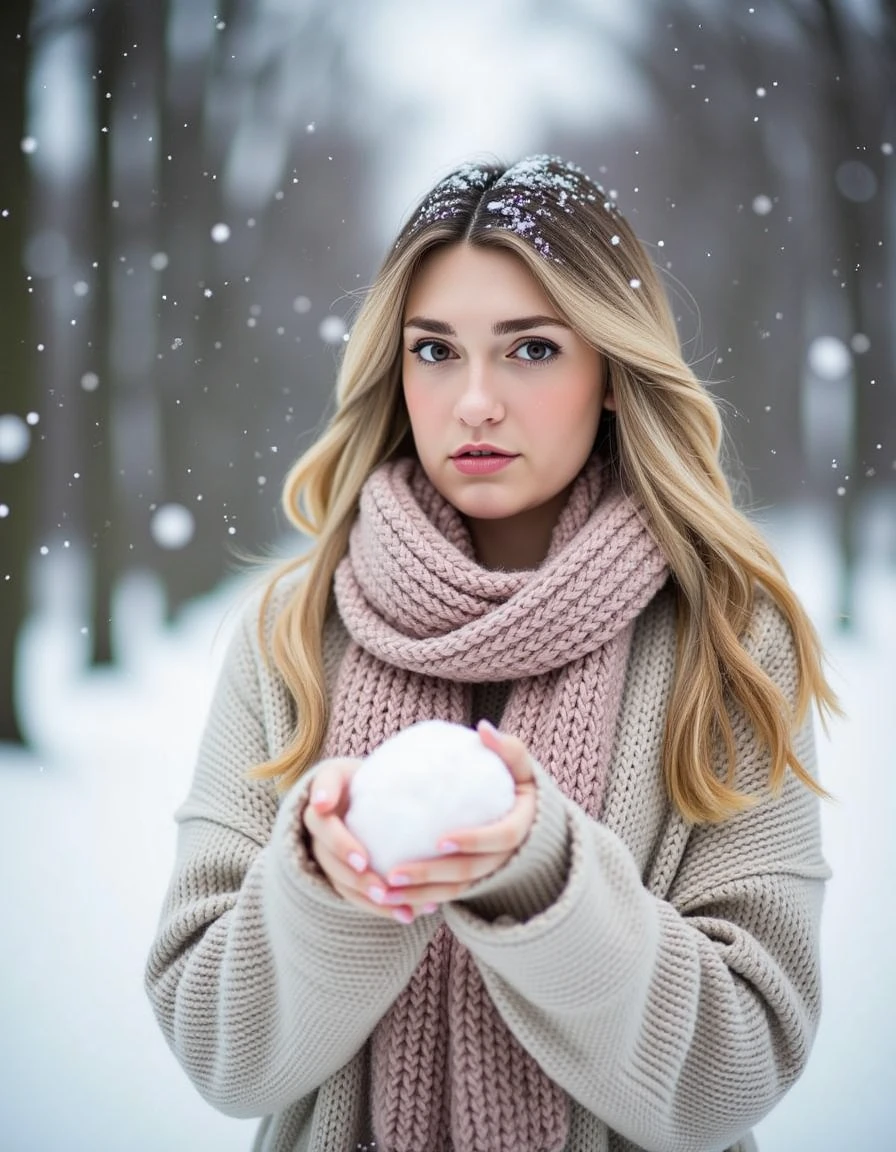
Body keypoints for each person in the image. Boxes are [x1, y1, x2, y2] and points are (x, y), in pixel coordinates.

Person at [145, 155, 836, 1152]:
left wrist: (546, 882)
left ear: (608, 372)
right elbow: (220, 1053)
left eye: (530, 350)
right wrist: (324, 889)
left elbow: (738, 1068)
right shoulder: (293, 632)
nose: (473, 402)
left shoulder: (726, 640)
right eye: (434, 351)